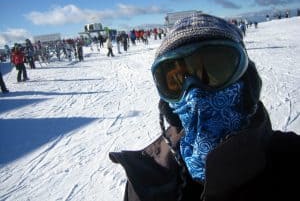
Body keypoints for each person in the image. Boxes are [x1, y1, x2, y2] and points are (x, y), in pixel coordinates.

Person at [109, 13, 300, 201]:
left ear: (247, 82)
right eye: (175, 81)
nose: (195, 94)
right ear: (168, 106)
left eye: (216, 68)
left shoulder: (289, 161)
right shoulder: (147, 180)